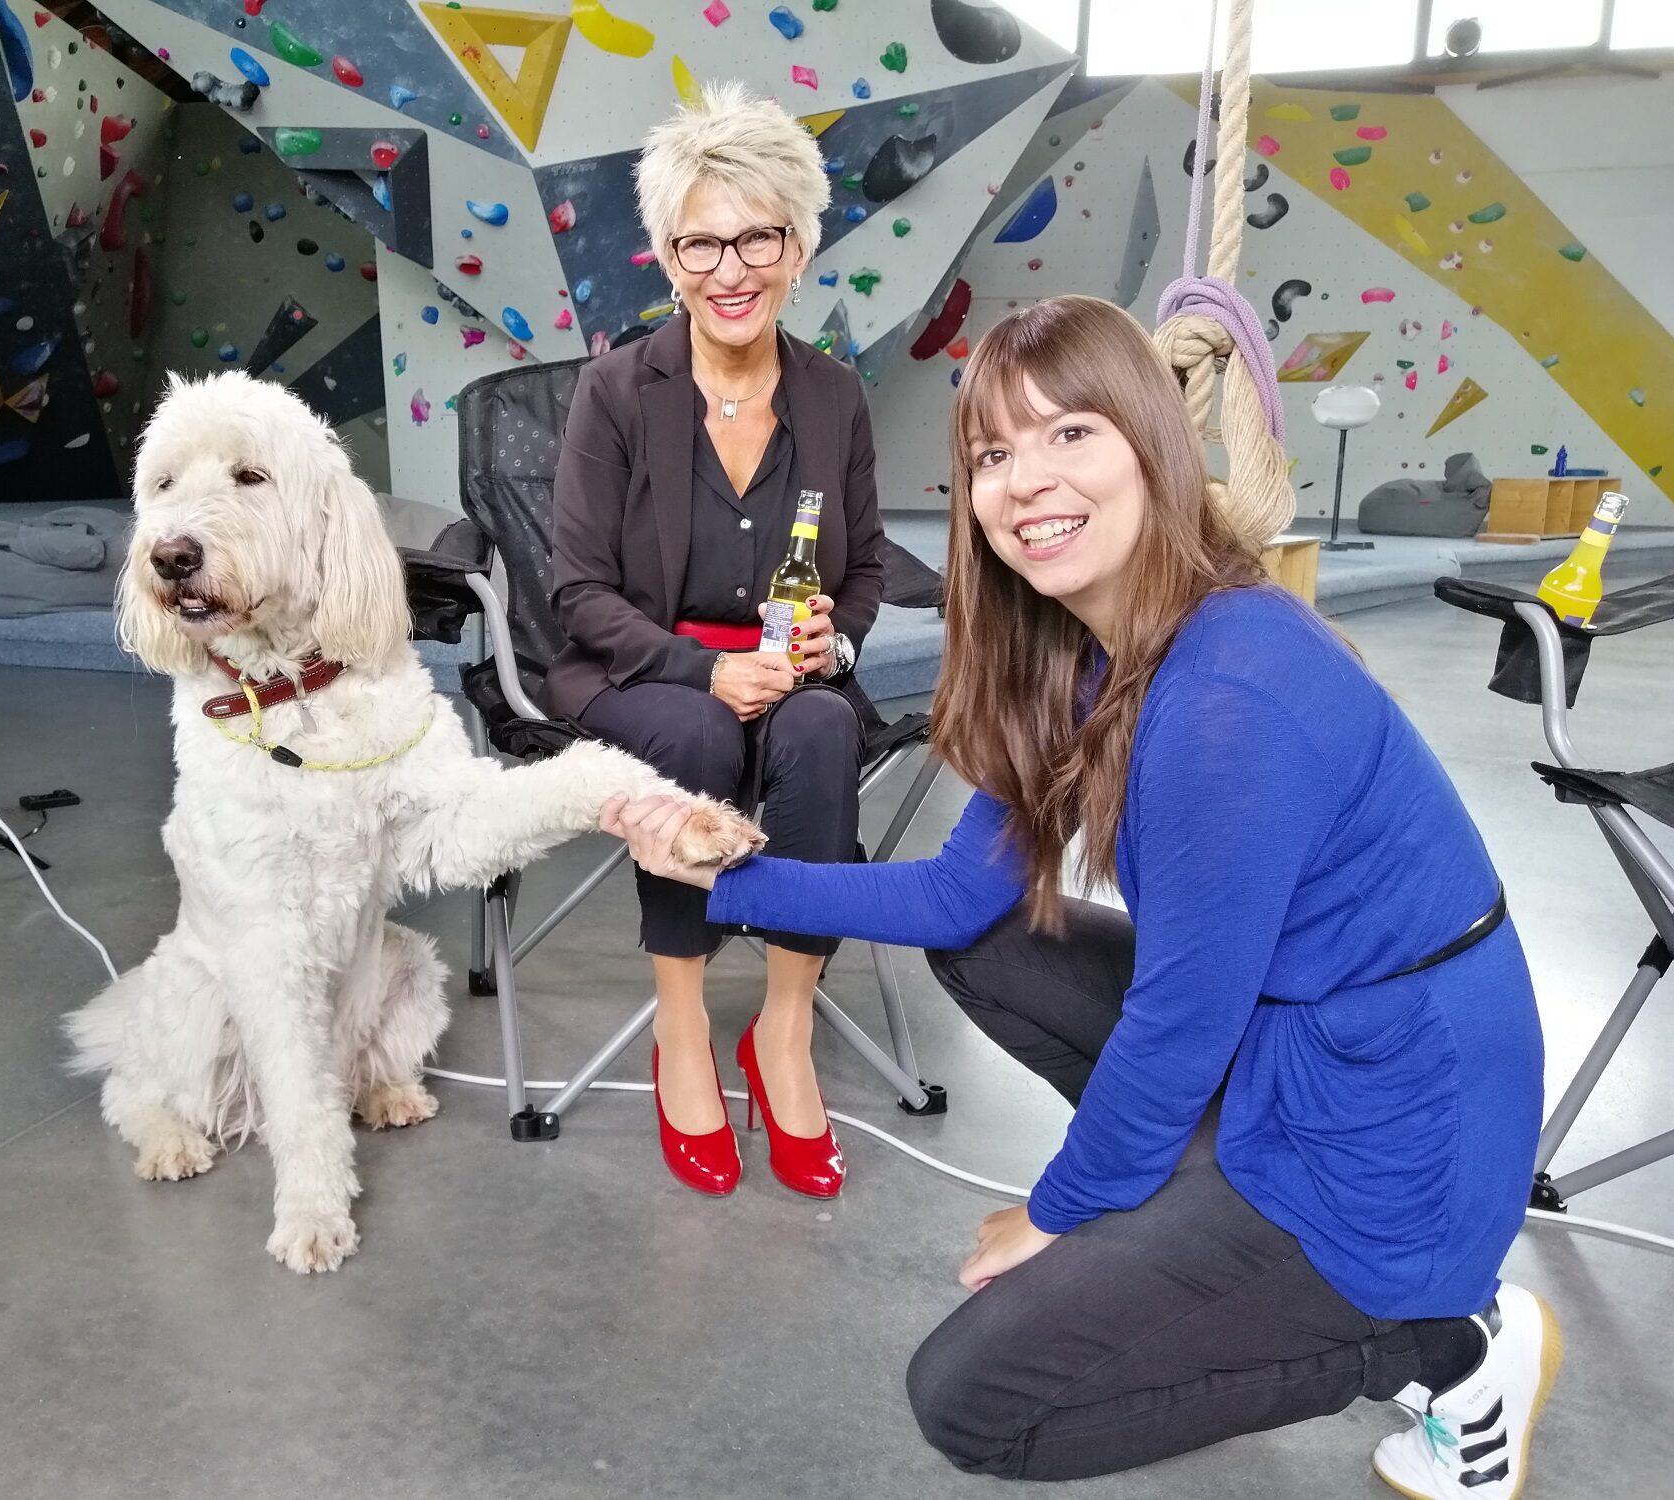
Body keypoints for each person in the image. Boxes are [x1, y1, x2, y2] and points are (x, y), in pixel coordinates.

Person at [601, 296, 1558, 1498]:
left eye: (1070, 435)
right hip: (1286, 1042)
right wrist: (728, 872)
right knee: (996, 939)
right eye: (992, 454)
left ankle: (1445, 1347)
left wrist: (1062, 1210)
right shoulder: (1084, 656)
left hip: (1393, 1127)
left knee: (974, 1404)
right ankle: (1188, 1203)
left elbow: (1179, 1019)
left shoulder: (1229, 695)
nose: (1024, 481)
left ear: (1149, 444)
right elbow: (959, 900)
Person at [544, 82, 887, 1200]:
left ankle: (780, 1033)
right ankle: (682, 1028)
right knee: (694, 734)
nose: (729, 268)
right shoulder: (614, 391)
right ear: (666, 255)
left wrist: (830, 642)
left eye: (757, 237)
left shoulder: (835, 398)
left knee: (824, 731)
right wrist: (704, 667)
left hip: (788, 669)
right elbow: (577, 590)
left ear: (799, 247)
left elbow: (869, 566)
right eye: (701, 242)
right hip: (643, 668)